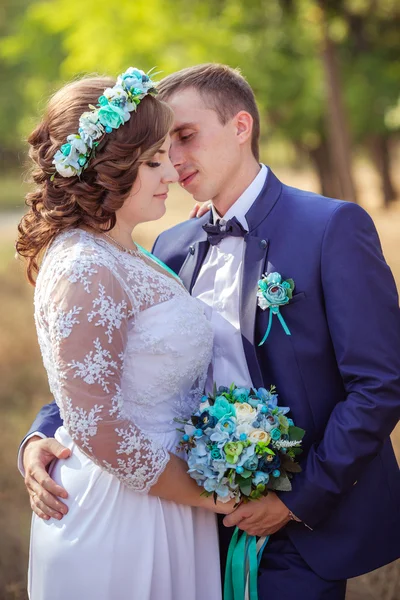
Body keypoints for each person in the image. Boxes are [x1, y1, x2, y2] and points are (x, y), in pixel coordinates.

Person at [20, 64, 400, 600]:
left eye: (185, 136)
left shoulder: (330, 228)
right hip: (182, 519)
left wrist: (296, 500)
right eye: (160, 147)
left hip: (296, 524)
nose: (173, 162)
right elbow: (108, 362)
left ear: (241, 126)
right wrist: (43, 435)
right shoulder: (167, 245)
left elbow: (380, 384)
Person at [16, 67, 235, 600]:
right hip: (123, 515)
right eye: (154, 161)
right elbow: (95, 424)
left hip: (165, 500)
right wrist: (211, 499)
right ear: (107, 170)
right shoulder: (84, 267)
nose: (170, 174)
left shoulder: (130, 253)